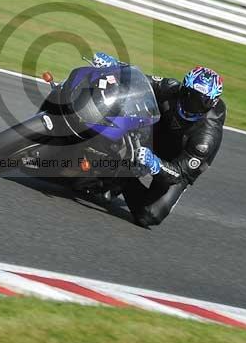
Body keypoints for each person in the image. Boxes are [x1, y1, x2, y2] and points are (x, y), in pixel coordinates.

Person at [92, 53, 226, 227]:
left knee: (149, 216)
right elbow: (140, 79)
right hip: (155, 134)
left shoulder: (206, 138)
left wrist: (154, 164)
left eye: (199, 102)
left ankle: (121, 179)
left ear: (211, 104)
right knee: (131, 103)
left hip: (176, 163)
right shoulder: (172, 88)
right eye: (188, 94)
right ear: (182, 87)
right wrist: (115, 66)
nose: (189, 104)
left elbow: (178, 173)